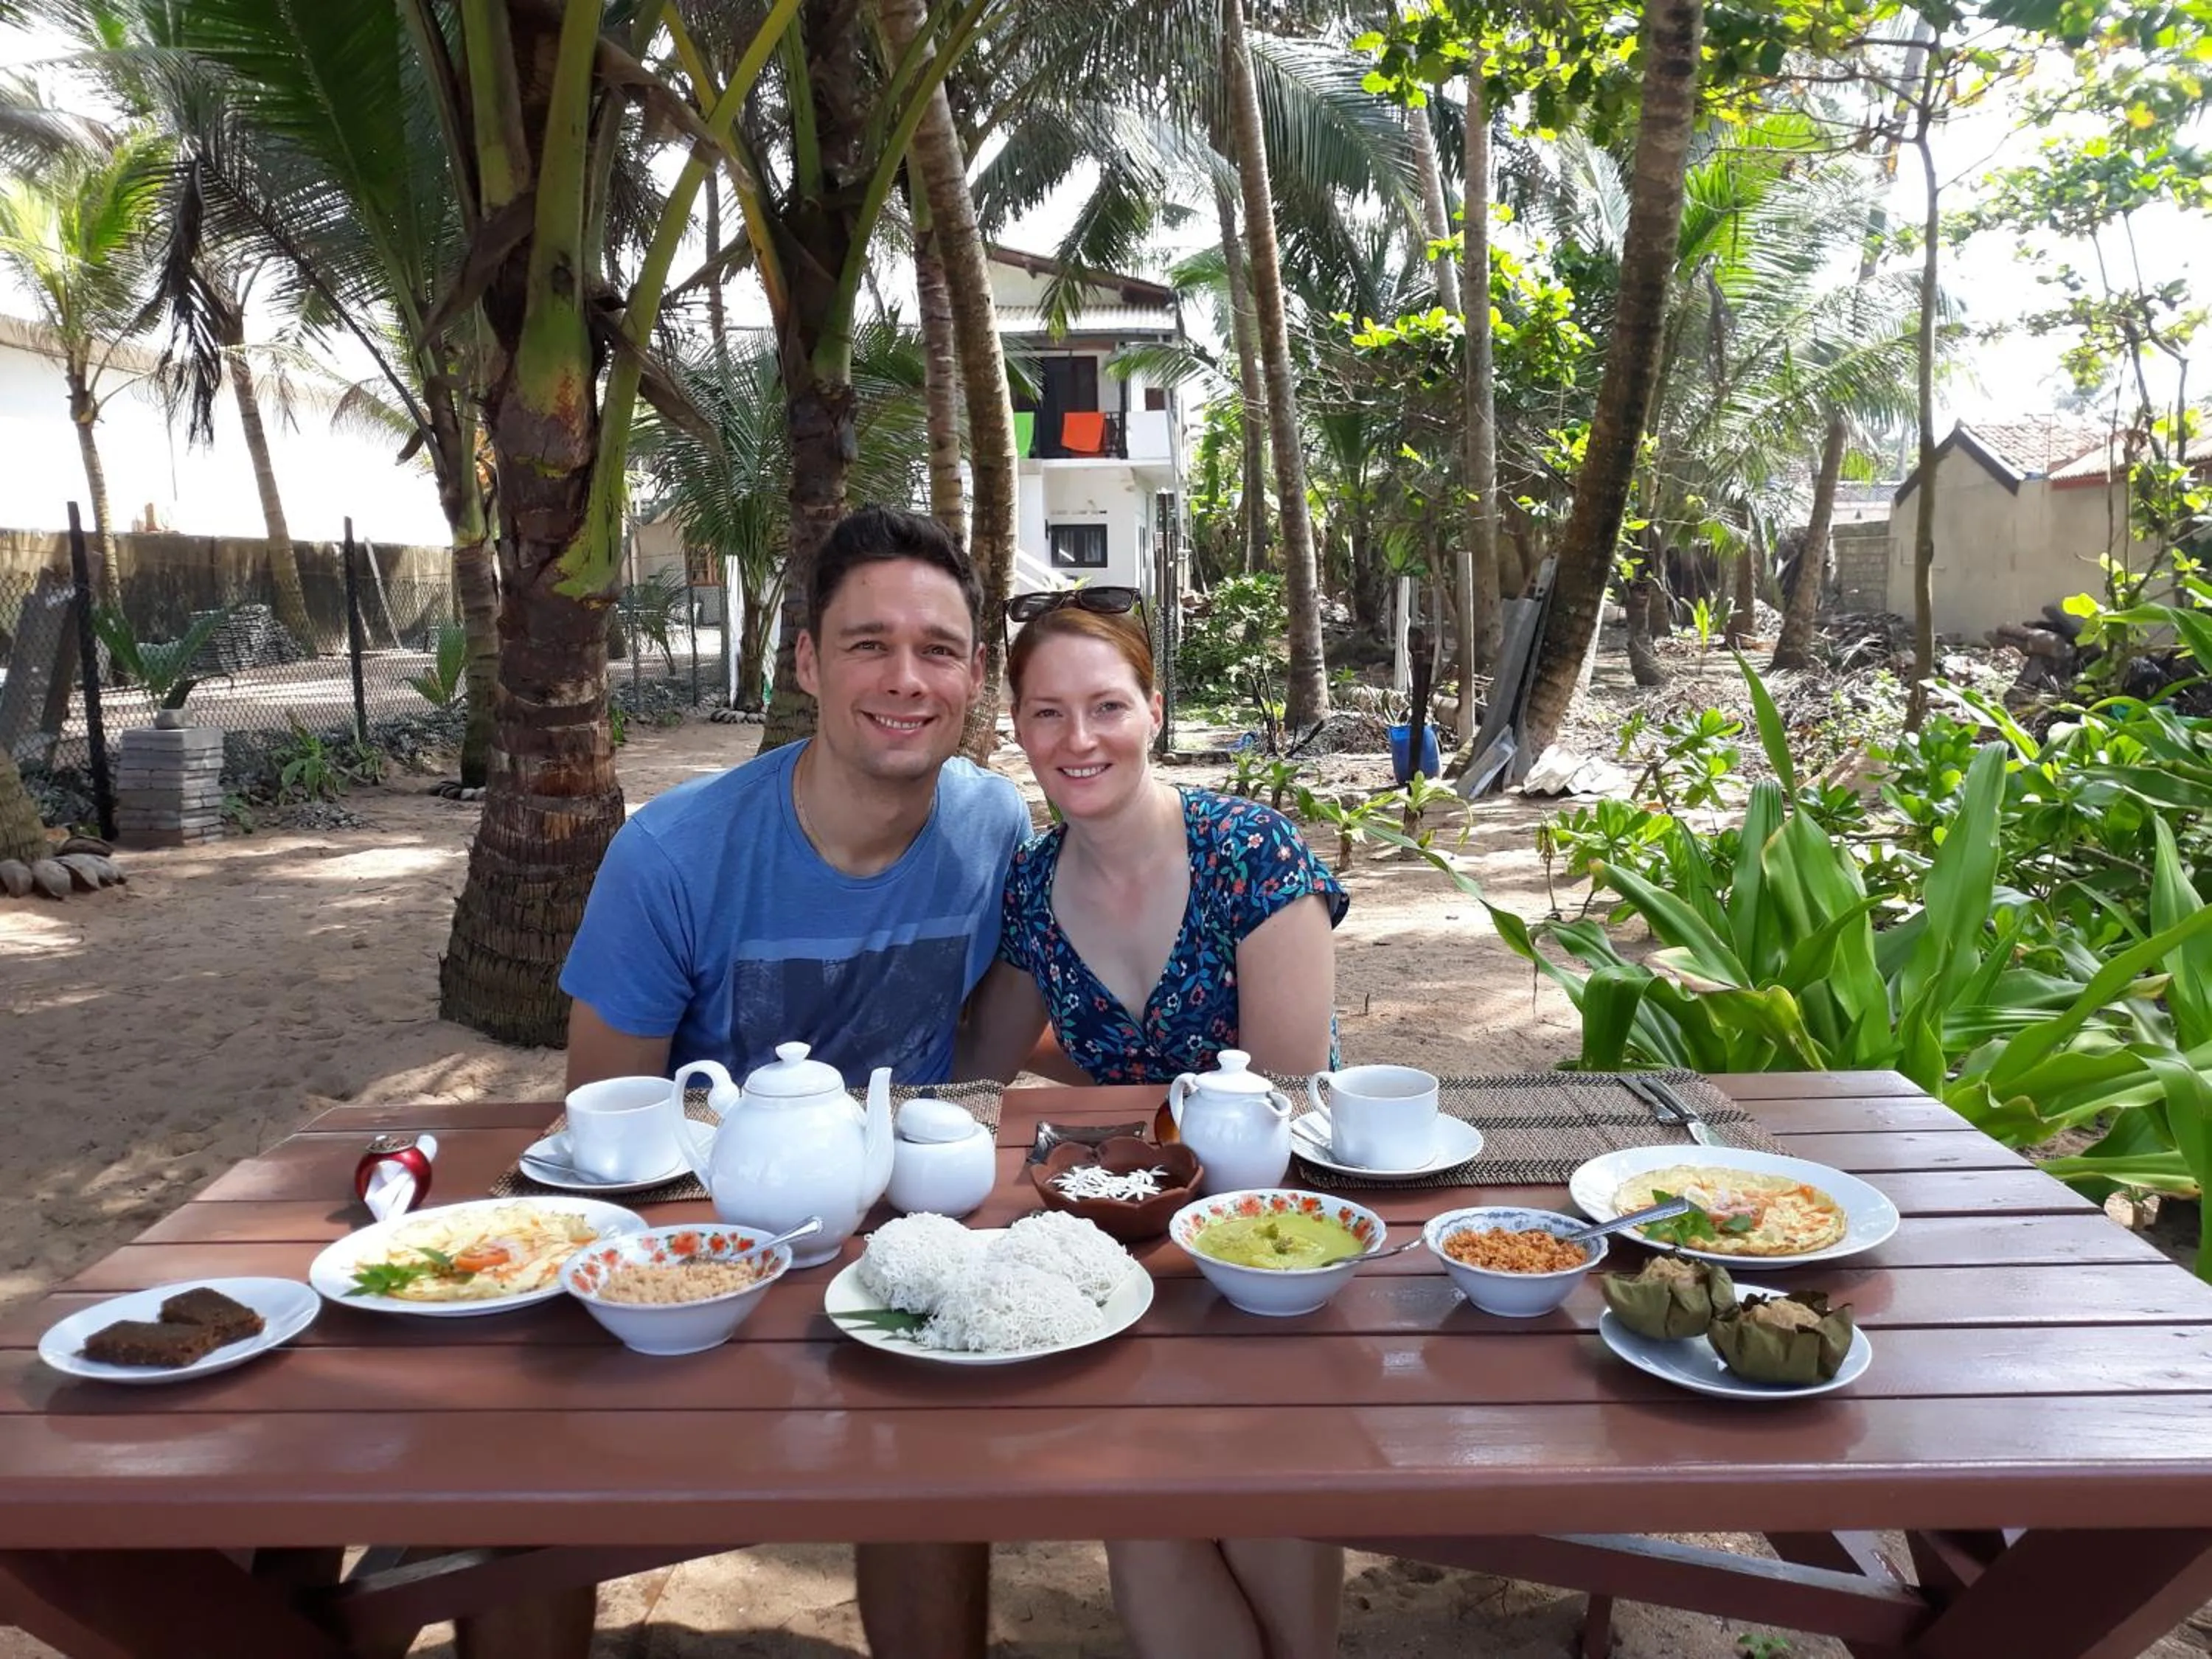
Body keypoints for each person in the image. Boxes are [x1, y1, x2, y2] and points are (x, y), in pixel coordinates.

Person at [543, 504, 1030, 1659]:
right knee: (516, 1465)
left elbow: (991, 1062)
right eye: (868, 643)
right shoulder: (672, 855)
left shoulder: (993, 825)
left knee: (932, 1465)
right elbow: (608, 1126)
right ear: (807, 661)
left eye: (938, 649)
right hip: (699, 1249)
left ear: (973, 678)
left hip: (899, 1249)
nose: (905, 678)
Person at [959, 588, 1349, 1659]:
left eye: (1106, 706)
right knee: (1146, 1503)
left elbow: (1285, 1095)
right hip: (1128, 1229)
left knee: (1254, 1474)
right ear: (1018, 728)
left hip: (1278, 1240)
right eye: (1046, 713)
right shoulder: (1034, 888)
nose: (1077, 740)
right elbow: (978, 1067)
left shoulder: (1249, 853)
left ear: (1155, 711)